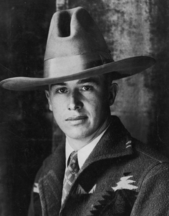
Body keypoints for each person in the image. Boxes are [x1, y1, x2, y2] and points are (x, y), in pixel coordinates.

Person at [1, 6, 169, 216]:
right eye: (62, 90)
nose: (73, 103)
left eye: (85, 87)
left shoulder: (153, 176)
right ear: (49, 101)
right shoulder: (48, 171)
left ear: (110, 94)